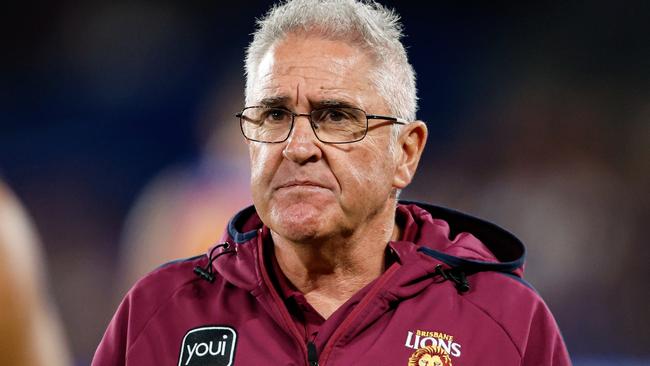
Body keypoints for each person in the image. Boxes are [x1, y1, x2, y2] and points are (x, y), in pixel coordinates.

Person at [93, 0, 571, 365]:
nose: (299, 147)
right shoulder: (160, 311)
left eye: (337, 116)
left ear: (405, 153)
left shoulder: (504, 322)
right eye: (274, 114)